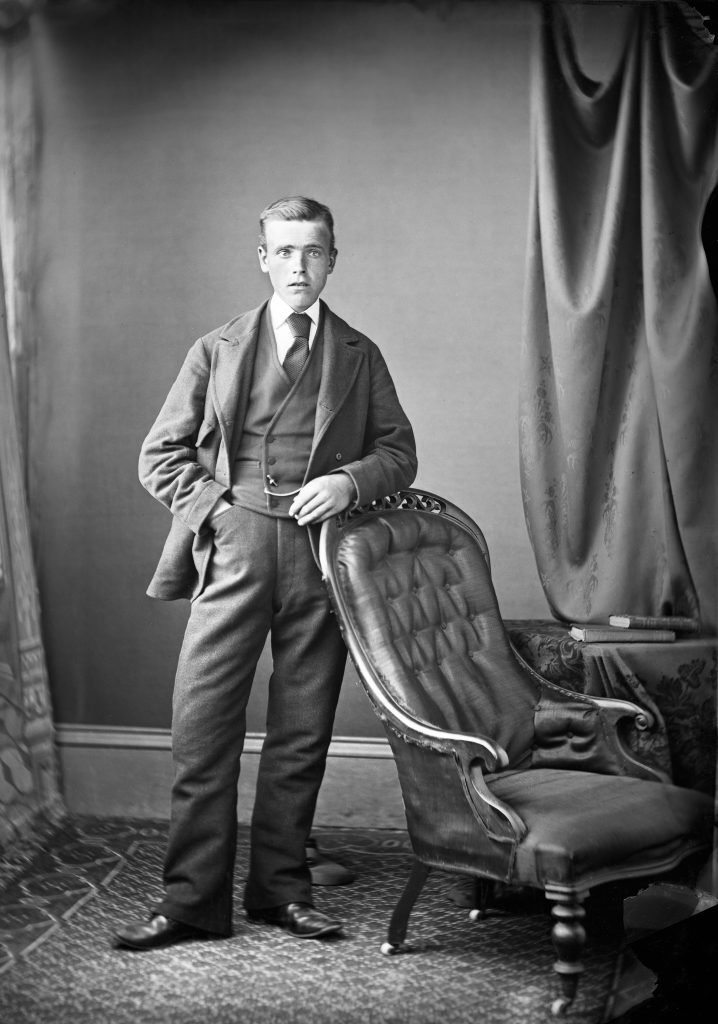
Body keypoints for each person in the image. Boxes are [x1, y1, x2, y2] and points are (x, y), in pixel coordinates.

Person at [114, 196, 417, 949]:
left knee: (302, 731)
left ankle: (282, 891)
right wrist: (217, 510)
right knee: (203, 727)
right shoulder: (216, 348)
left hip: (321, 558)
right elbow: (161, 455)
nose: (298, 267)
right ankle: (190, 901)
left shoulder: (359, 354)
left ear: (332, 260)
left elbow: (399, 452)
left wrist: (350, 484)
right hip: (236, 544)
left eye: (313, 252)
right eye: (284, 252)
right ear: (263, 258)